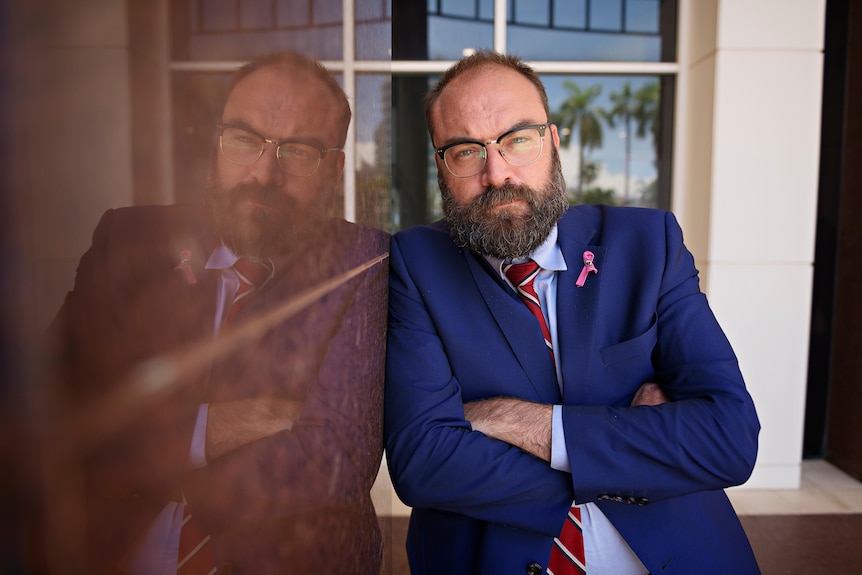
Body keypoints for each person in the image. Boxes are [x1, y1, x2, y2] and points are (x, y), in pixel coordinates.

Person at [384, 50, 761, 575]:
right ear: (441, 166)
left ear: (554, 142)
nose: (497, 173)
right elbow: (422, 462)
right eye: (466, 151)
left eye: (518, 139)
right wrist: (641, 451)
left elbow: (729, 438)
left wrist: (516, 421)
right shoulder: (414, 263)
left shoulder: (647, 245)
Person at [43, 51, 389, 574]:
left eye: (296, 150)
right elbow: (52, 409)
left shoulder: (363, 261)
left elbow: (338, 459)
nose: (263, 172)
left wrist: (125, 452)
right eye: (244, 138)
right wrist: (233, 423)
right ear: (218, 142)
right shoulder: (128, 241)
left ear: (336, 168)